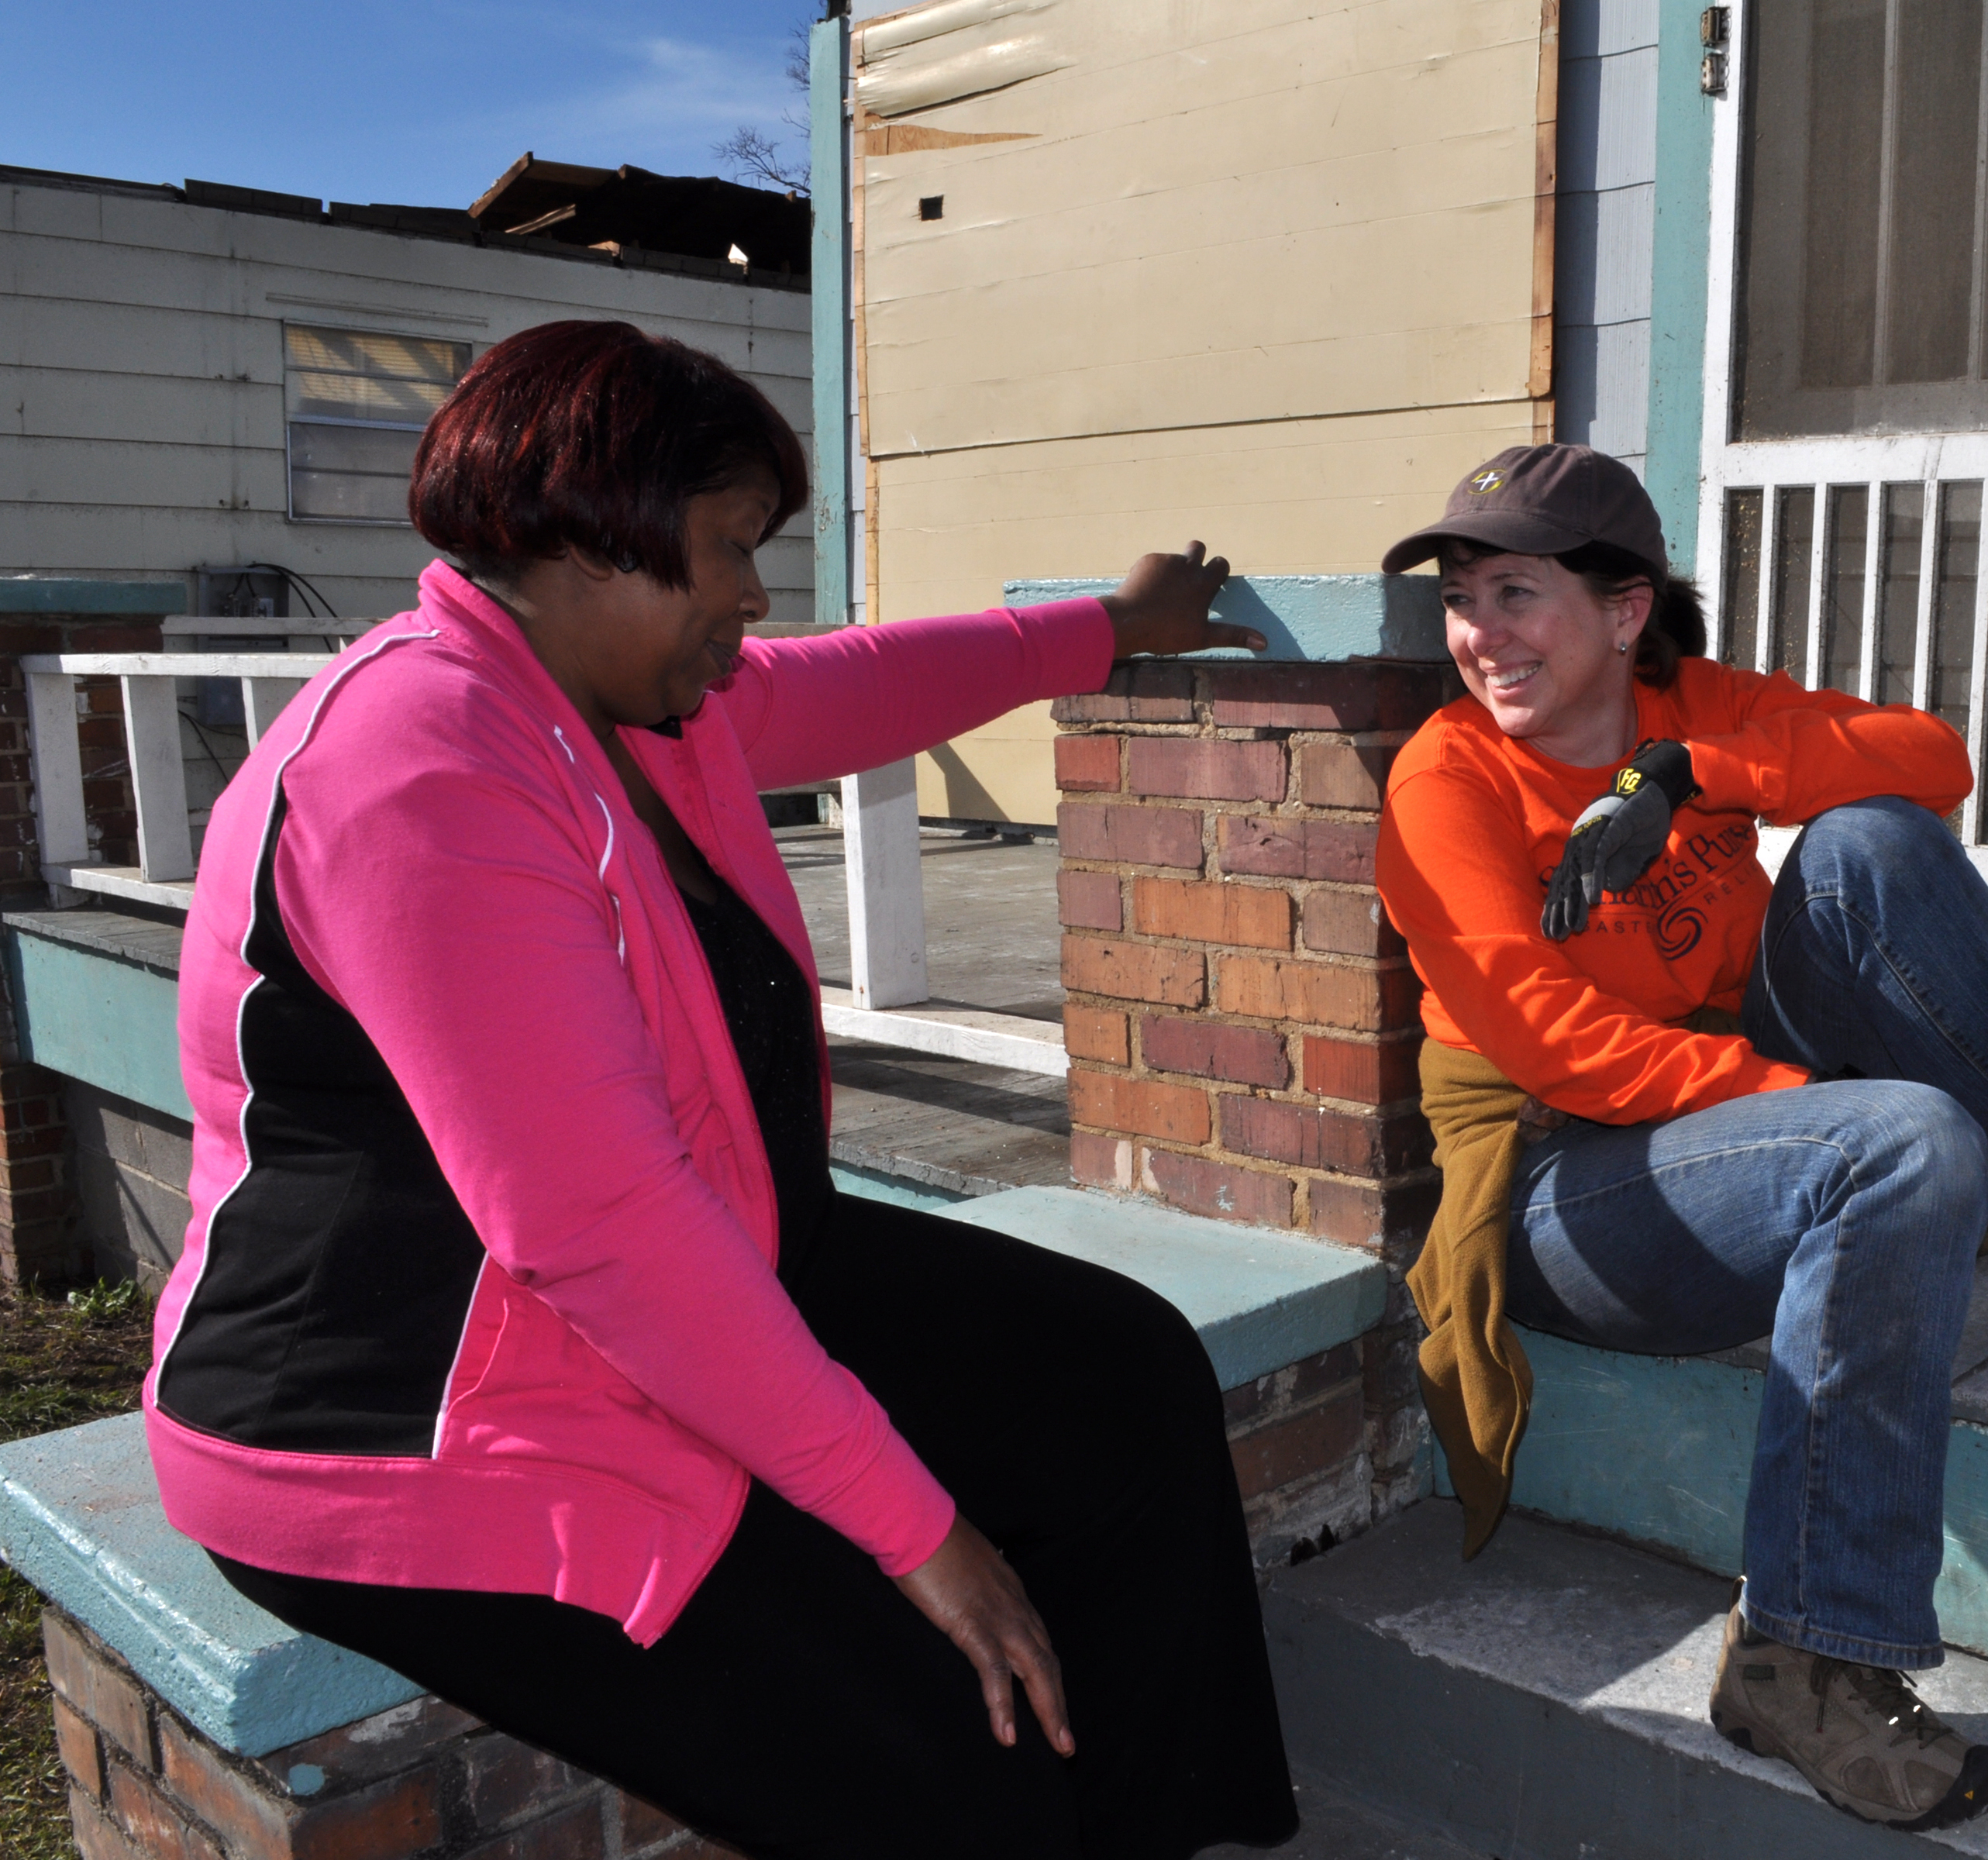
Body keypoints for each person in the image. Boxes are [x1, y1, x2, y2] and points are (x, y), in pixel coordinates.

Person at [143, 320, 1299, 1860]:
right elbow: (597, 1225)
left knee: (1123, 1378)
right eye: (728, 548)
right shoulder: (424, 764)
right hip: (422, 1410)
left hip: (660, 1275)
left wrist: (1113, 623)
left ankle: (1154, 1829)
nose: (757, 598)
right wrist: (922, 1534)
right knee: (943, 1757)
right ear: (577, 532)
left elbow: (868, 682)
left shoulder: (644, 707)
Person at [1373, 444, 1988, 1834]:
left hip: (1735, 1112)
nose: (1478, 636)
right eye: (1462, 600)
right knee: (1906, 1145)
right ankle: (1805, 1649)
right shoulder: (1447, 780)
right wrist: (1790, 1095)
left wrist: (1681, 767)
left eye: (1514, 594)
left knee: (1877, 843)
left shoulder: (1689, 707)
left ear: (1626, 613)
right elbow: (1546, 1039)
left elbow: (1938, 762)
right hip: (1567, 1184)